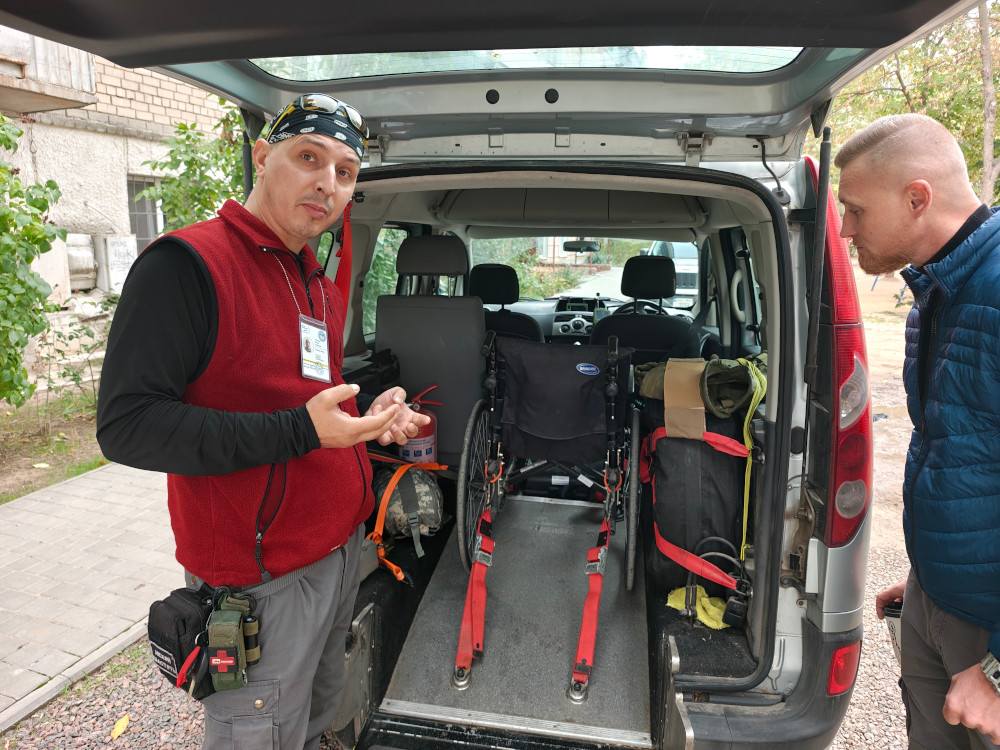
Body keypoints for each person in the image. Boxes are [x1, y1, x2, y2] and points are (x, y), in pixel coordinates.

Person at [96, 94, 429, 750]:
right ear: (261, 157)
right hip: (262, 581)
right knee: (258, 732)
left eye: (345, 172)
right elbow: (126, 426)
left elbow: (300, 402)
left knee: (315, 714)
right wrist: (303, 432)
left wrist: (367, 421)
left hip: (338, 557)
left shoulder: (310, 273)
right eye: (309, 158)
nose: (327, 182)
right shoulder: (186, 267)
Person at [836, 113, 1000, 749]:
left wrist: (996, 671)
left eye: (854, 210)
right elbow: (961, 456)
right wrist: (934, 571)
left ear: (917, 198)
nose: (845, 230)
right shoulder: (939, 291)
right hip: (942, 600)